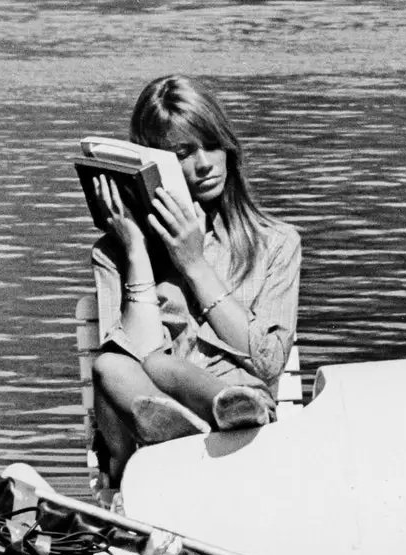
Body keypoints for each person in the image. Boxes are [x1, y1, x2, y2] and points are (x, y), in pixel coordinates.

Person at [88, 75, 301, 483]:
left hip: (245, 421)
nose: (204, 164)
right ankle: (182, 430)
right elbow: (138, 355)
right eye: (183, 153)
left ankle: (221, 410)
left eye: (212, 144)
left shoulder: (276, 243)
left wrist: (195, 265)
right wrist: (136, 251)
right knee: (119, 365)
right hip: (141, 426)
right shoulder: (113, 253)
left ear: (229, 148)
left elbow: (270, 363)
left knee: (167, 368)